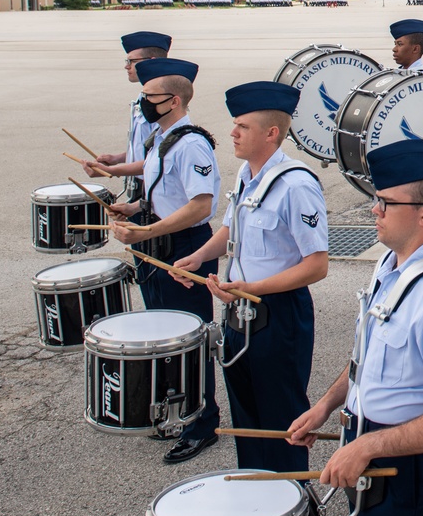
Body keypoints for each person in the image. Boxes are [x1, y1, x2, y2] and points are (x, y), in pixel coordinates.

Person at [287, 138, 423, 516]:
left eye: (384, 202)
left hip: (412, 471)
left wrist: (368, 445)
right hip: (372, 446)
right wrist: (324, 407)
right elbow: (367, 355)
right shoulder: (390, 266)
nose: (373, 210)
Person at [170, 81, 329, 473]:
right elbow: (231, 228)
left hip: (277, 312)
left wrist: (251, 289)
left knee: (280, 417)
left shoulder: (296, 185)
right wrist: (198, 257)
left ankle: (291, 498)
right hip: (239, 310)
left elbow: (317, 265)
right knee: (246, 416)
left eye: (242, 126)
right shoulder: (247, 173)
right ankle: (255, 494)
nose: (232, 133)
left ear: (271, 133)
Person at [108, 57, 222, 464]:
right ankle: (178, 410)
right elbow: (165, 192)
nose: (143, 104)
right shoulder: (163, 138)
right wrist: (135, 208)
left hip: (183, 246)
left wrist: (149, 230)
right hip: (157, 243)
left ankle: (202, 423)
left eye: (149, 98)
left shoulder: (190, 142)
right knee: (162, 337)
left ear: (172, 100)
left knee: (188, 339)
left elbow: (199, 206)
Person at [82, 31, 171, 201]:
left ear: (151, 62)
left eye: (132, 61)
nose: (126, 66)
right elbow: (148, 147)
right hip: (138, 184)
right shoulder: (144, 97)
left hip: (153, 188)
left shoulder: (161, 102)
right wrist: (117, 159)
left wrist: (112, 171)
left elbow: (162, 158)